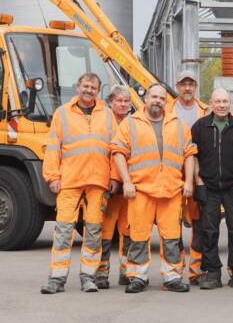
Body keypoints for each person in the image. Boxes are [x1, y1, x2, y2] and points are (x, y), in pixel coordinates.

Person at [112, 83, 197, 293]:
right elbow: (118, 152)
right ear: (146, 99)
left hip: (171, 190)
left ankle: (172, 278)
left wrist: (188, 182)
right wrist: (127, 182)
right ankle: (137, 277)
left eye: (161, 98)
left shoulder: (178, 124)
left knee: (171, 238)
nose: (157, 101)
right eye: (154, 97)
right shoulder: (131, 123)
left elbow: (189, 154)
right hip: (141, 190)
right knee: (139, 236)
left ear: (165, 101)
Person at [41, 73, 118, 294]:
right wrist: (52, 176)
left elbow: (114, 150)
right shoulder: (62, 113)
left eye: (93, 87)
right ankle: (56, 279)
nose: (89, 90)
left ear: (98, 90)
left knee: (93, 231)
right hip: (70, 181)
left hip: (98, 181)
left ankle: (88, 277)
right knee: (64, 230)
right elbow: (53, 147)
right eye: (86, 86)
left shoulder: (107, 114)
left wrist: (114, 177)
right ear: (78, 87)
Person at [191, 89, 233, 290]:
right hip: (208, 187)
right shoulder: (200, 127)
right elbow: (193, 156)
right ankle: (212, 273)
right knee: (209, 232)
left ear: (230, 103)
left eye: (225, 101)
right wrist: (198, 181)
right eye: (218, 101)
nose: (222, 105)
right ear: (211, 103)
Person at [165, 70, 208, 285]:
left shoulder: (204, 111)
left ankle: (195, 271)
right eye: (183, 84)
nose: (187, 88)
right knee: (172, 224)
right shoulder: (167, 110)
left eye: (191, 84)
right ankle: (174, 271)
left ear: (196, 87)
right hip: (172, 175)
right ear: (178, 86)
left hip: (197, 175)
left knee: (198, 224)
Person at [95, 84, 132, 289]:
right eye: (119, 100)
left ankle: (126, 271)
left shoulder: (134, 123)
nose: (123, 104)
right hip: (108, 184)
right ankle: (101, 273)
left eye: (126, 101)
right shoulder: (102, 122)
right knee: (105, 230)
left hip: (128, 186)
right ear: (111, 102)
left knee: (127, 229)